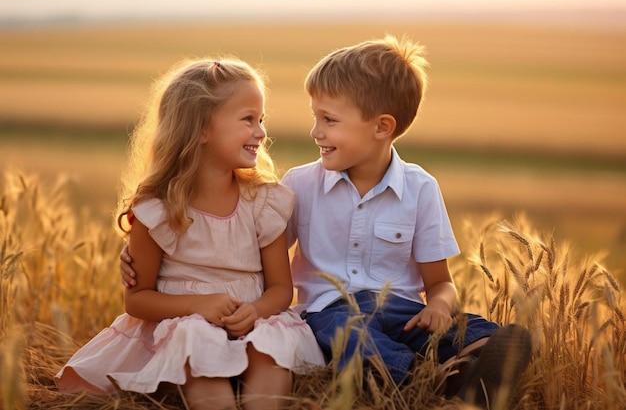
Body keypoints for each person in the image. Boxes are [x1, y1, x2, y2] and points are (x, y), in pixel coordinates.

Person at [120, 36, 532, 408]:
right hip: (327, 312)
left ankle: (479, 364)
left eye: (329, 120)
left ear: (381, 127)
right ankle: (427, 381)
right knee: (346, 332)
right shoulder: (298, 185)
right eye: (315, 117)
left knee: (473, 332)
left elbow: (440, 281)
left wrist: (440, 307)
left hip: (401, 313)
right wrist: (156, 250)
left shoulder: (420, 188)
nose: (315, 131)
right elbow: (246, 250)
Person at [56, 56, 325, 410]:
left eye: (261, 120)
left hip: (252, 320)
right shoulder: (158, 211)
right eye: (247, 119)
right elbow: (137, 300)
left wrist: (257, 310)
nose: (261, 132)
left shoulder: (263, 201)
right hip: (186, 326)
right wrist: (198, 306)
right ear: (199, 129)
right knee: (195, 339)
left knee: (271, 347)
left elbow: (280, 289)